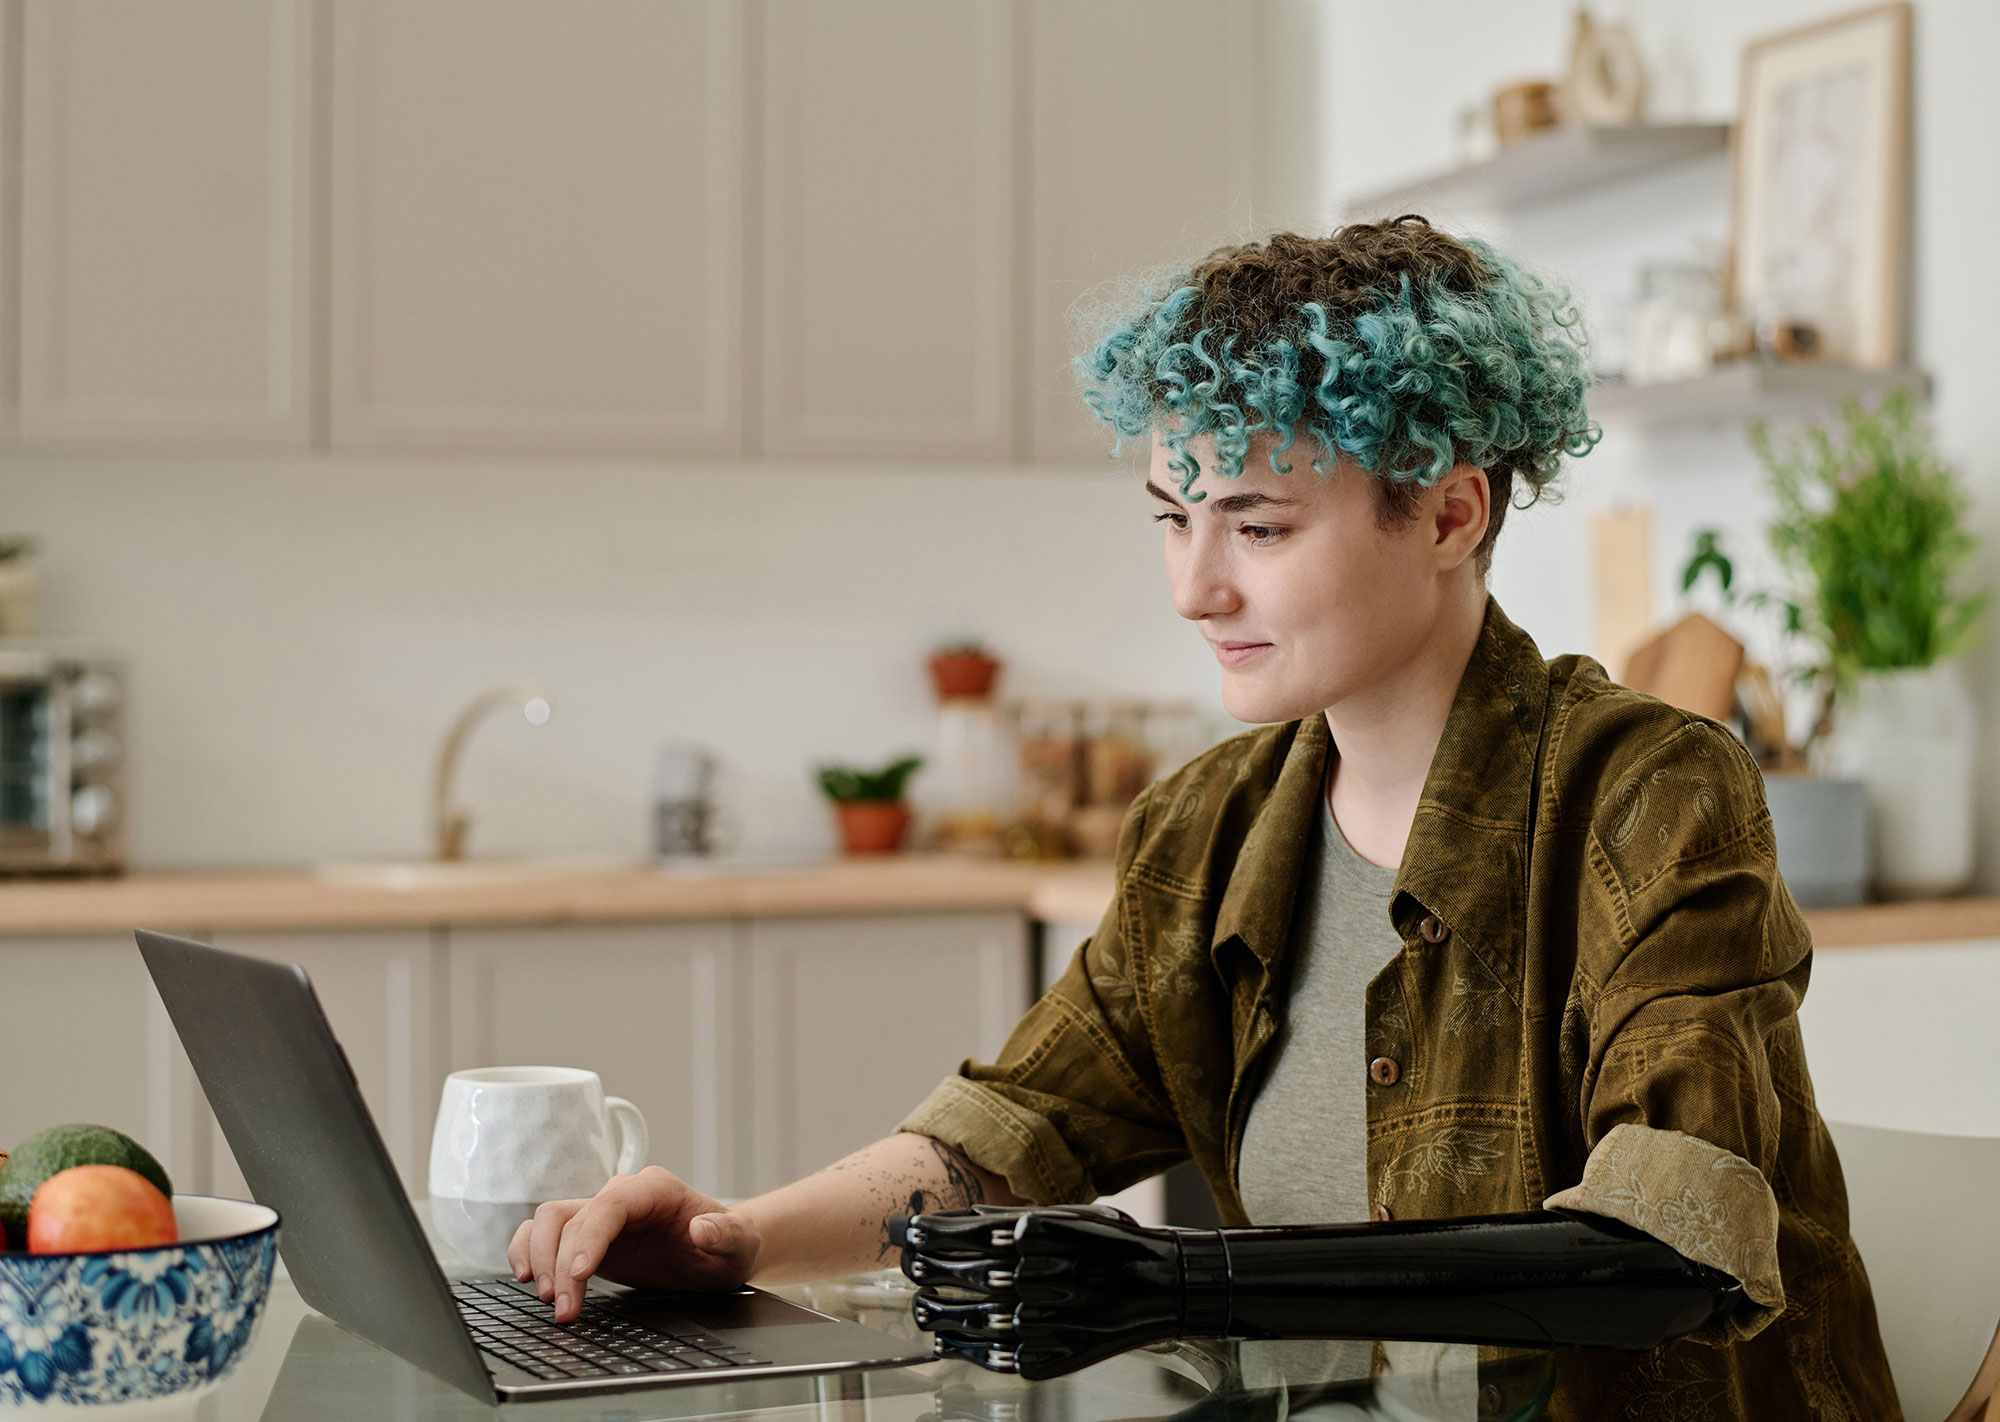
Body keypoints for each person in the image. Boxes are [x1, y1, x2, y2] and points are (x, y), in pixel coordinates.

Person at [510, 216, 1898, 1416]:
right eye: (1173, 516)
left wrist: (1171, 1282)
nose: (1194, 585)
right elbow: (1008, 1134)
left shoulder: (1651, 797)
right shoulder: (1215, 826)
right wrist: (731, 1237)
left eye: (1260, 525)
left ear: (1450, 514)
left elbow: (1664, 1254)